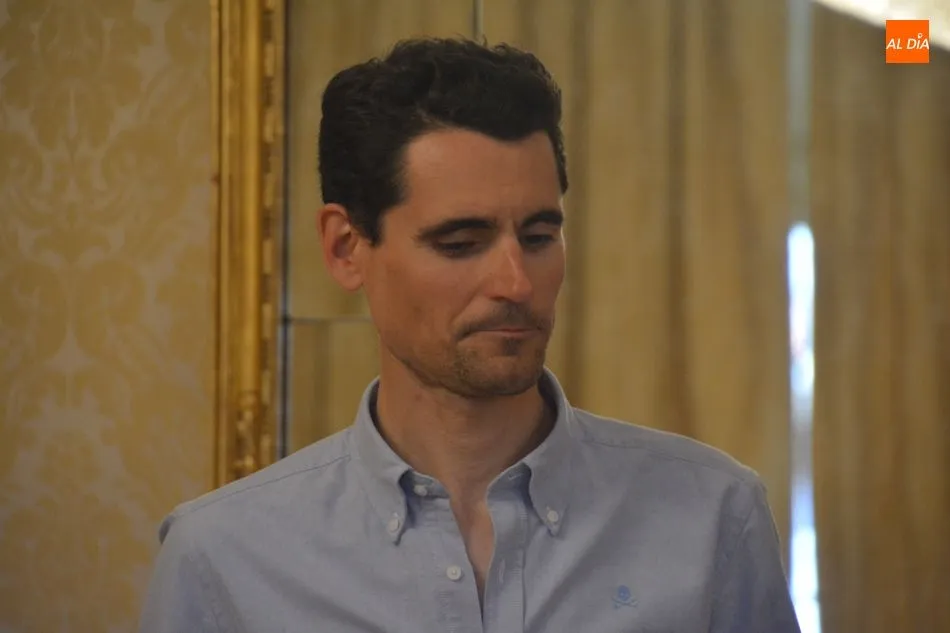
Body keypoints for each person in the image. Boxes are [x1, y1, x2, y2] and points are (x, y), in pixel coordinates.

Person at [139, 38, 801, 633]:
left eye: (538, 237)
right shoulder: (223, 559)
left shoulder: (713, 518)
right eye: (460, 243)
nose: (516, 282)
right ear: (346, 248)